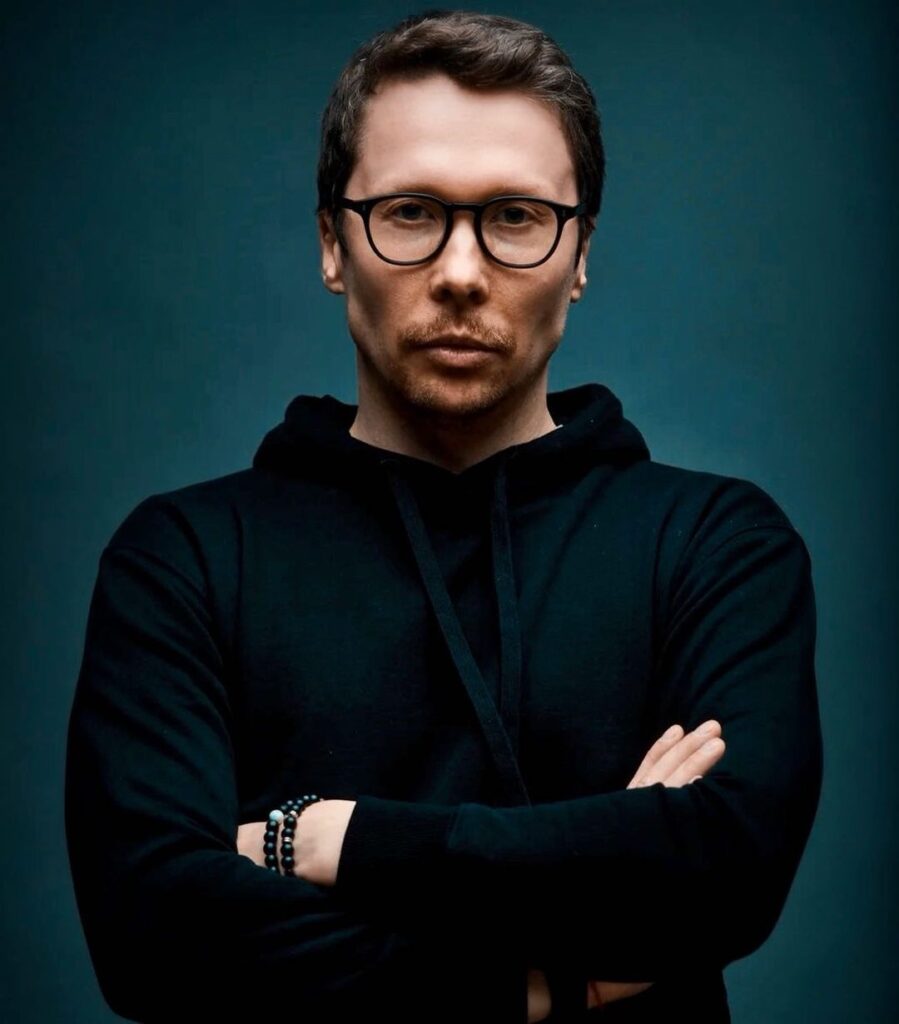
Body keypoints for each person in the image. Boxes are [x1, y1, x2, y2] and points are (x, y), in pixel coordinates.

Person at [64, 10, 823, 1023]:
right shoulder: (185, 560)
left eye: (514, 216)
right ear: (333, 244)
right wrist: (557, 974)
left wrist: (336, 839)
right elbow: (154, 934)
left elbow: (726, 867)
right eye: (411, 212)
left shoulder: (714, 546)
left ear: (579, 254)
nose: (461, 272)